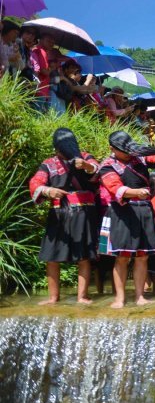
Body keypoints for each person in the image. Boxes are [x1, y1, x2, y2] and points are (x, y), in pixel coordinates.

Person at [97, 131, 155, 308]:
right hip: (123, 211)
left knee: (142, 256)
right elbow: (116, 188)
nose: (127, 153)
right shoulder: (107, 166)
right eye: (123, 150)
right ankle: (119, 298)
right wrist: (136, 192)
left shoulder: (139, 158)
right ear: (112, 149)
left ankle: (139, 296)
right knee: (122, 257)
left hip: (143, 210)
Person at [28, 128, 100, 305]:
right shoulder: (49, 163)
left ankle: (82, 296)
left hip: (83, 212)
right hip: (59, 213)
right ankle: (53, 297)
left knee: (83, 256)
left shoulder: (84, 156)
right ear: (56, 148)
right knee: (52, 257)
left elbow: (98, 171)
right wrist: (48, 190)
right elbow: (36, 182)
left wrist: (87, 166)